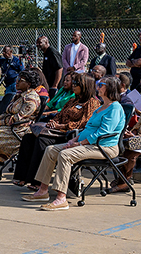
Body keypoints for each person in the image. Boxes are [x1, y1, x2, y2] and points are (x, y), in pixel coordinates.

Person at [22, 77, 127, 211]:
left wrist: (79, 144)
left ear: (110, 88)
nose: (98, 86)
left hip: (104, 147)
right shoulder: (101, 107)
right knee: (51, 150)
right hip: (88, 144)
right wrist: (74, 140)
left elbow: (103, 133)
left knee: (65, 155)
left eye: (101, 84)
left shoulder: (115, 108)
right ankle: (42, 191)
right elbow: (87, 128)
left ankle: (61, 199)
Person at [12, 72, 99, 187]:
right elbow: (60, 114)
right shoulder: (73, 100)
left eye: (76, 83)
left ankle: (37, 181)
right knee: (28, 137)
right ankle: (22, 176)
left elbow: (84, 123)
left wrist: (61, 126)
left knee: (42, 141)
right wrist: (54, 122)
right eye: (73, 83)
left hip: (70, 135)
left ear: (85, 86)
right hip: (57, 132)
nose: (73, 85)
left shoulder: (92, 103)